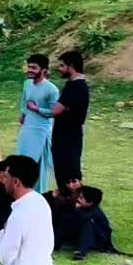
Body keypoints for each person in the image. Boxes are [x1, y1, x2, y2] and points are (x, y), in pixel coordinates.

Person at [17, 54, 60, 193]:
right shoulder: (27, 83)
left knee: (36, 164)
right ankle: (21, 192)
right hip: (27, 127)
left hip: (41, 130)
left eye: (34, 67)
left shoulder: (51, 89)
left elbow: (55, 112)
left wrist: (37, 109)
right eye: (29, 67)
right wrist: (23, 114)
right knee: (22, 161)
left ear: (44, 70)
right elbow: (24, 101)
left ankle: (37, 193)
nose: (30, 70)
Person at [54, 50, 91, 189]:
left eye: (62, 65)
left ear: (71, 66)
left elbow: (56, 110)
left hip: (67, 136)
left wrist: (36, 109)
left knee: (67, 172)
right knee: (68, 170)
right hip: (70, 134)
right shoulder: (77, 85)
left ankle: (71, 198)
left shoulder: (74, 86)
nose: (59, 69)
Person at [63, 184, 117, 261]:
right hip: (85, 235)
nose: (78, 199)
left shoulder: (95, 211)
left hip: (98, 239)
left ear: (90, 202)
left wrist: (76, 209)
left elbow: (82, 218)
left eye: (81, 198)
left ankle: (81, 252)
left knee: (87, 223)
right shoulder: (82, 207)